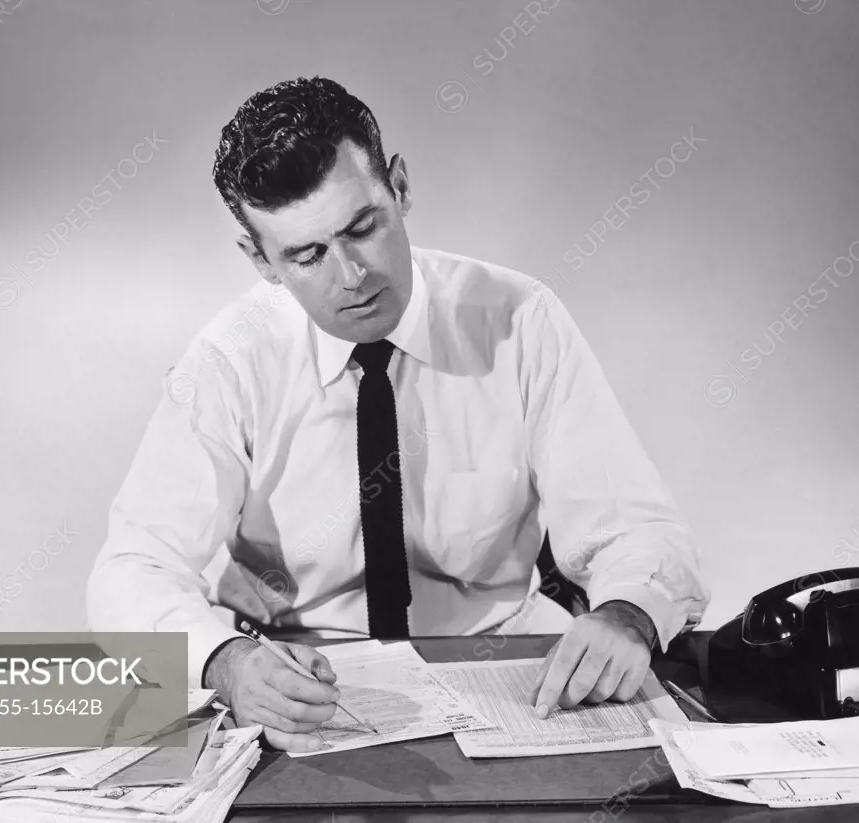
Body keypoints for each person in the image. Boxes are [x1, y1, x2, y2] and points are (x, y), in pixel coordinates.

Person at [87, 76, 709, 753]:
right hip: (302, 686)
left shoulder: (519, 319)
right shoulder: (230, 360)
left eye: (363, 227)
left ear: (401, 188)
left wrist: (628, 611)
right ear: (260, 261)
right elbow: (132, 567)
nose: (351, 274)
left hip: (508, 672)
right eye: (307, 254)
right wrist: (225, 661)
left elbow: (638, 528)